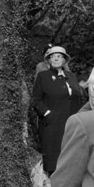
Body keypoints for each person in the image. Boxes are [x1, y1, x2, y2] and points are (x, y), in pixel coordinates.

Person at [32, 46, 84, 177]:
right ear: (48, 60)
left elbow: (79, 97)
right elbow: (36, 100)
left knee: (71, 159)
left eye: (59, 56)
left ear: (64, 60)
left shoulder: (71, 76)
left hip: (72, 124)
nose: (56, 58)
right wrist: (47, 114)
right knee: (54, 163)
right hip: (52, 126)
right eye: (52, 56)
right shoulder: (43, 76)